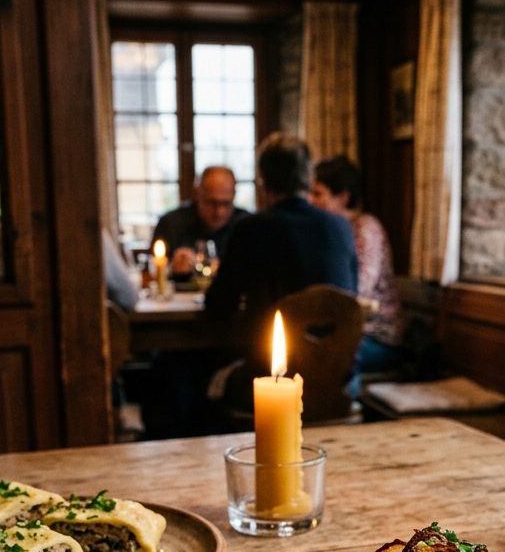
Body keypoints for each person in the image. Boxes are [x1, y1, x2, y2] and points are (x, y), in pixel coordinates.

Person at [204, 134, 358, 377]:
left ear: (263, 180)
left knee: (203, 375)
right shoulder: (341, 228)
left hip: (276, 377)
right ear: (309, 178)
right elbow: (351, 298)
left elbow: (218, 307)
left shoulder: (252, 228)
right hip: (339, 377)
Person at [310, 155, 403, 392]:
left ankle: (345, 410)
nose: (311, 200)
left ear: (343, 197)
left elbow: (359, 291)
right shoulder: (329, 230)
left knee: (327, 354)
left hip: (378, 339)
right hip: (343, 331)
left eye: (318, 193)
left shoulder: (366, 228)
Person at [151, 166, 249, 279]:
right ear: (197, 193)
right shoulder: (171, 223)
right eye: (212, 203)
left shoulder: (247, 225)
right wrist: (171, 268)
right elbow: (152, 272)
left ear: (234, 195)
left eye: (226, 203)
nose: (219, 212)